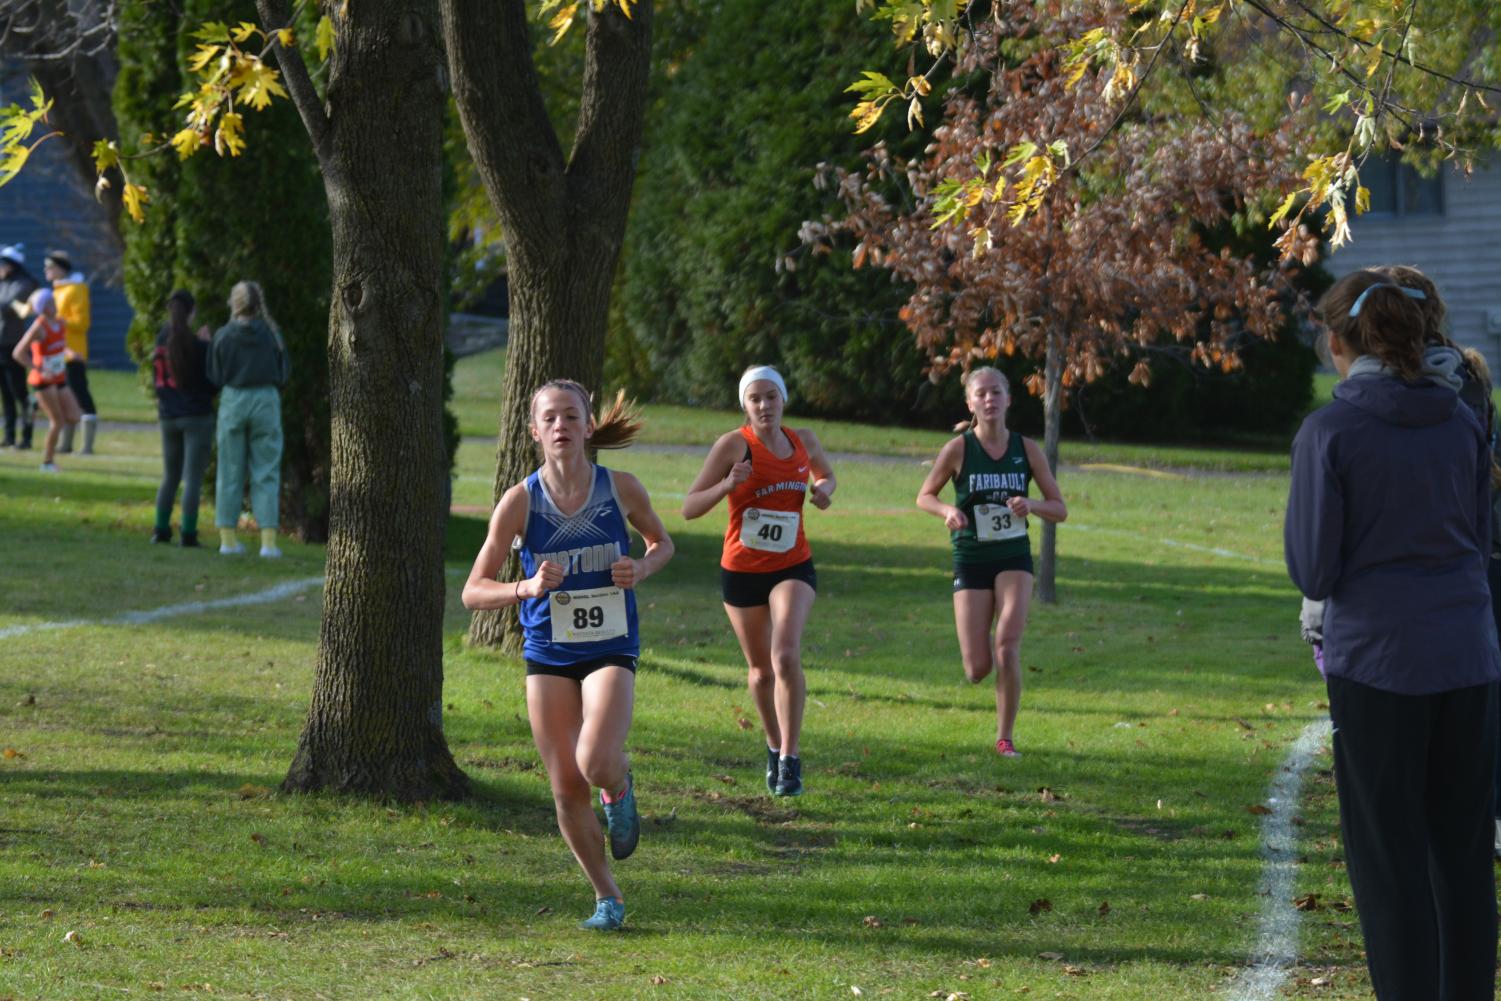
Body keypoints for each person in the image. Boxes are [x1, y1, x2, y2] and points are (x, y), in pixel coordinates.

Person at [1285, 268, 1500, 1000]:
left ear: (1341, 340)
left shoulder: (1330, 431)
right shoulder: (1461, 420)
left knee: (1388, 860)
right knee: (1463, 854)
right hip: (1467, 653)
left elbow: (1312, 565)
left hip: (1378, 662)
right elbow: (1476, 533)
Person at [462, 380, 674, 932]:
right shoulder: (521, 501)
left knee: (596, 761)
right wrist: (525, 588)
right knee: (564, 785)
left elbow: (662, 542)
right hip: (548, 652)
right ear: (535, 432)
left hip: (609, 647)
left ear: (587, 427)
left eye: (570, 416)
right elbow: (473, 589)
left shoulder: (620, 488)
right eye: (549, 418)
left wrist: (643, 568)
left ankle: (619, 785)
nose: (560, 426)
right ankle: (608, 897)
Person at [682, 365, 836, 797]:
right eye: (755, 399)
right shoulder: (734, 445)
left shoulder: (803, 439)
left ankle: (790, 757)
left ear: (783, 399)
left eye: (771, 396)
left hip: (793, 565)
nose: (764, 405)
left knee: (785, 654)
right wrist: (727, 485)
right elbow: (690, 507)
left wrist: (825, 489)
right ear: (744, 405)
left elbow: (825, 474)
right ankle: (772, 743)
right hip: (743, 570)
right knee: (760, 671)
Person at [915, 366, 1067, 757]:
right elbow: (924, 496)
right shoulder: (959, 449)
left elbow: (1058, 508)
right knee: (977, 668)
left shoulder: (1026, 449)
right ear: (970, 403)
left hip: (1013, 556)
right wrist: (947, 510)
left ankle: (1005, 738)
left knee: (1007, 646)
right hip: (971, 557)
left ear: (1008, 399)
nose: (989, 399)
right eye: (981, 393)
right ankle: (976, 643)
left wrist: (1030, 503)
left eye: (996, 392)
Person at [207, 281, 289, 557]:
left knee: (229, 470)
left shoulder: (223, 335)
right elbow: (284, 371)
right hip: (266, 399)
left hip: (233, 399)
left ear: (234, 303)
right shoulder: (271, 334)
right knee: (266, 470)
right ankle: (268, 542)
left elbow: (214, 375)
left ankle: (228, 540)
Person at [151, 290, 217, 547]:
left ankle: (161, 529)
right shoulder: (197, 346)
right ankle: (188, 534)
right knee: (193, 479)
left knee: (170, 476)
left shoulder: (161, 339)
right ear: (192, 312)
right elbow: (211, 384)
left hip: (168, 416)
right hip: (196, 417)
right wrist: (207, 346)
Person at [11, 288, 80, 472]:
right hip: (43, 380)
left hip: (59, 377)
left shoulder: (59, 322)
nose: (54, 305)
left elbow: (59, 347)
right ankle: (47, 463)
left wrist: (70, 353)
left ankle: (35, 405)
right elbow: (18, 352)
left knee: (74, 416)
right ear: (43, 308)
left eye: (53, 301)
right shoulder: (38, 326)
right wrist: (38, 368)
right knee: (57, 421)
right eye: (49, 303)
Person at [43, 251, 96, 454]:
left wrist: (59, 321)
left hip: (73, 352)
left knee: (80, 393)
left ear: (61, 268)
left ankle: (87, 445)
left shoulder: (76, 289)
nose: (46, 270)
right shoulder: (57, 291)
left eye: (50, 266)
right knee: (63, 397)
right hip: (57, 352)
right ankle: (65, 443)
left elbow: (82, 323)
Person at [0, 244, 38, 449]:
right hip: (0, 344)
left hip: (13, 344)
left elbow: (8, 305)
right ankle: (9, 435)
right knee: (5, 394)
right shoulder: (4, 283)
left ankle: (27, 437)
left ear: (12, 265)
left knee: (20, 393)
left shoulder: (23, 283)